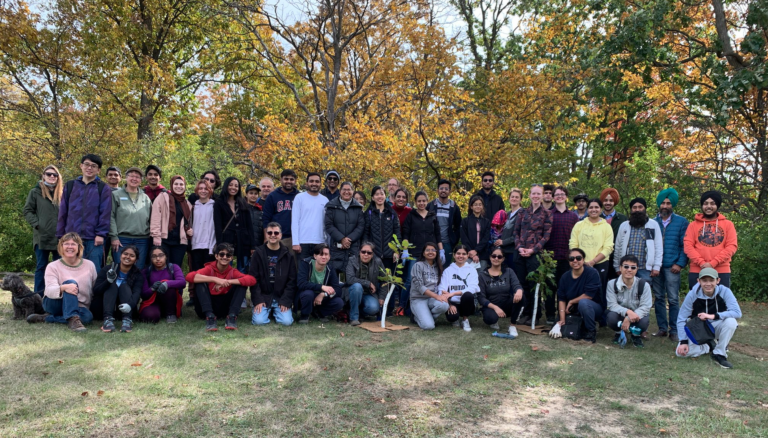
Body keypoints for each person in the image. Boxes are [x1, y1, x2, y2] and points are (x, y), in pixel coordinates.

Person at [675, 268, 742, 369]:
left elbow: (737, 313)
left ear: (718, 281)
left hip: (716, 326)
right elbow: (682, 318)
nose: (708, 284)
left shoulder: (725, 291)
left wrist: (713, 316)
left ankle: (719, 353)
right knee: (680, 353)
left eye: (711, 280)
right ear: (699, 281)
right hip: (698, 329)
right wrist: (683, 341)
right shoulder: (692, 294)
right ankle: (710, 345)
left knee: (731, 322)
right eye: (704, 280)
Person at [57, 153, 112, 271]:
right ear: (81, 166)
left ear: (98, 170)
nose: (89, 168)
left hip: (94, 238)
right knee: (70, 270)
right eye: (87, 164)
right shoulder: (71, 185)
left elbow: (105, 213)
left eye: (93, 166)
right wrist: (61, 234)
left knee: (93, 270)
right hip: (72, 237)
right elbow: (63, 211)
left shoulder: (103, 188)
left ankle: (93, 291)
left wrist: (101, 234)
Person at [33, 233, 98, 331]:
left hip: (79, 306)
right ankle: (73, 319)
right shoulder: (53, 266)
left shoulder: (90, 265)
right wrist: (64, 288)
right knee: (71, 283)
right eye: (66, 244)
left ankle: (46, 318)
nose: (70, 247)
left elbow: (94, 289)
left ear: (79, 247)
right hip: (54, 303)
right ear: (61, 247)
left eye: (73, 244)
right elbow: (49, 290)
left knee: (87, 318)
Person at [186, 242, 256, 331]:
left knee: (242, 284)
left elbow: (252, 280)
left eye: (228, 255)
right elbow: (189, 276)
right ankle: (209, 316)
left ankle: (232, 316)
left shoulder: (233, 271)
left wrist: (228, 281)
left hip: (225, 308)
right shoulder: (209, 268)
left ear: (231, 258)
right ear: (216, 256)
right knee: (200, 282)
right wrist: (214, 279)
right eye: (222, 254)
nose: (225, 257)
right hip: (206, 307)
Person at [652, 188, 689, 342]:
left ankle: (674, 330)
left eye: (668, 203)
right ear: (659, 204)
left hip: (672, 266)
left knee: (673, 299)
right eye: (663, 203)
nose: (665, 205)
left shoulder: (682, 222)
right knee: (659, 298)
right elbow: (649, 246)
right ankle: (662, 328)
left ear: (672, 205)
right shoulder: (652, 223)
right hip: (656, 267)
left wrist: (680, 264)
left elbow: (685, 245)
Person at [513, 184, 552, 325]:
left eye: (538, 194)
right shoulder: (522, 212)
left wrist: (533, 250)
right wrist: (519, 247)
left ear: (542, 196)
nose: (535, 196)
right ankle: (525, 312)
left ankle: (534, 314)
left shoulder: (547, 214)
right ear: (529, 195)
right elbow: (515, 232)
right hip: (520, 253)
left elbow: (546, 236)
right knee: (521, 284)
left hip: (534, 255)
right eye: (533, 193)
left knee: (532, 285)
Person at [569, 198, 614, 318]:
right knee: (580, 289)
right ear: (587, 209)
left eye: (596, 207)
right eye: (591, 207)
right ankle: (579, 316)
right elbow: (573, 244)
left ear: (600, 209)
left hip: (600, 264)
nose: (593, 210)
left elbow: (608, 247)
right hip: (580, 264)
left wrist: (593, 261)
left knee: (599, 291)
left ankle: (600, 318)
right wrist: (579, 260)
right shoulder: (579, 225)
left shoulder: (606, 226)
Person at [684, 191, 738, 289]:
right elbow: (688, 246)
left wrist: (713, 263)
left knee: (721, 301)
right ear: (702, 206)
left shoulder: (728, 224)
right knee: (697, 301)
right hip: (697, 270)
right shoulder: (692, 225)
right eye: (705, 203)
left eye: (712, 203)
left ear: (717, 205)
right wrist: (702, 263)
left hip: (721, 270)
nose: (708, 206)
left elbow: (731, 246)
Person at [401, 191, 443, 316]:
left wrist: (441, 250)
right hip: (414, 252)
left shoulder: (432, 216)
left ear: (427, 201)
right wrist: (405, 250)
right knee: (410, 280)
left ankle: (428, 304)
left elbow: (438, 234)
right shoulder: (411, 215)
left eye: (424, 201)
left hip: (431, 253)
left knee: (431, 280)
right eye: (419, 201)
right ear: (415, 202)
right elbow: (406, 234)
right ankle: (402, 306)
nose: (421, 203)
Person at [24, 165, 63, 297]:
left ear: (58, 177)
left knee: (60, 268)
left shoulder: (63, 193)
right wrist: (37, 224)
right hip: (42, 236)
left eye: (55, 174)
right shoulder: (35, 192)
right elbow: (28, 211)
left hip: (60, 237)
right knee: (41, 267)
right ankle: (39, 297)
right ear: (43, 175)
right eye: (49, 174)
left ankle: (58, 295)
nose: (52, 176)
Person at [543, 186, 579, 325]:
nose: (559, 196)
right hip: (549, 257)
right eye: (556, 194)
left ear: (566, 197)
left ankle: (564, 314)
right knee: (550, 289)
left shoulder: (573, 216)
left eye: (562, 194)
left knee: (564, 288)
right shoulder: (548, 214)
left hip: (567, 258)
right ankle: (550, 315)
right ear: (553, 197)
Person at [250, 222, 297, 326]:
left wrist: (285, 301)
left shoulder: (288, 255)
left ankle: (273, 311)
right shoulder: (258, 253)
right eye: (270, 232)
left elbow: (292, 281)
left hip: (280, 297)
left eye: (276, 233)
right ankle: (265, 311)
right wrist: (258, 300)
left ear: (280, 235)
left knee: (286, 322)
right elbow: (253, 279)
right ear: (266, 234)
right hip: (263, 296)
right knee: (259, 322)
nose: (273, 235)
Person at [91, 245, 143, 332]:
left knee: (124, 286)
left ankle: (127, 320)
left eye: (132, 256)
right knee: (112, 285)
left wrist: (130, 305)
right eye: (125, 254)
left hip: (124, 309)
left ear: (136, 260)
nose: (127, 257)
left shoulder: (138, 274)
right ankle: (107, 320)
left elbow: (137, 293)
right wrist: (108, 281)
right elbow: (96, 291)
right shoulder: (108, 269)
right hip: (103, 308)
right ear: (120, 255)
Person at [556, 248, 603, 343]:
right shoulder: (565, 277)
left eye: (578, 258)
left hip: (593, 308)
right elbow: (561, 298)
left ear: (583, 259)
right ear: (568, 261)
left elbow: (588, 296)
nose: (575, 261)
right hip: (574, 309)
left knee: (583, 303)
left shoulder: (592, 273)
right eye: (571, 259)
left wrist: (572, 301)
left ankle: (591, 331)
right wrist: (562, 319)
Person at [109, 167, 152, 270]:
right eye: (131, 176)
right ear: (126, 178)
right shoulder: (115, 195)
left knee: (139, 269)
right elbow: (111, 216)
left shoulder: (145, 197)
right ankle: (120, 286)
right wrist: (114, 236)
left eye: (137, 177)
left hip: (142, 239)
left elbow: (151, 218)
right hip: (121, 239)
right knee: (121, 268)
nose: (134, 179)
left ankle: (136, 287)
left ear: (141, 181)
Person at [606, 255, 652, 348]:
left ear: (637, 269)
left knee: (644, 322)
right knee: (611, 317)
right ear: (620, 267)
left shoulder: (644, 285)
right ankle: (618, 333)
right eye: (626, 266)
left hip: (637, 316)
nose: (629, 270)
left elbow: (646, 306)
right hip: (620, 315)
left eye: (633, 267)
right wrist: (627, 312)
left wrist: (629, 318)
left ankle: (636, 336)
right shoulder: (612, 284)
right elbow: (612, 305)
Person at [613, 197, 663, 283]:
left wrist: (656, 266)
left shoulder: (653, 225)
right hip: (626, 268)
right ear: (631, 210)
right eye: (634, 207)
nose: (637, 210)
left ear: (644, 209)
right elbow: (618, 247)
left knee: (642, 292)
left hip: (644, 268)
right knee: (626, 292)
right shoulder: (624, 225)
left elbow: (658, 247)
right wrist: (617, 266)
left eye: (640, 207)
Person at [477, 247, 524, 336]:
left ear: (503, 259)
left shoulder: (509, 271)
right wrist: (495, 308)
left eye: (499, 257)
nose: (496, 258)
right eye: (494, 256)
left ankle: (512, 325)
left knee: (521, 296)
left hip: (506, 303)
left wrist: (519, 290)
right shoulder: (482, 275)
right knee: (490, 319)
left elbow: (516, 285)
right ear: (490, 257)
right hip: (491, 305)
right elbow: (481, 297)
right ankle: (494, 319)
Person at [214, 176, 256, 272]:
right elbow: (218, 226)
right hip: (227, 241)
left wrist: (252, 245)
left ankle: (239, 287)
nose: (233, 188)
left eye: (236, 186)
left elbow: (249, 226)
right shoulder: (219, 203)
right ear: (226, 186)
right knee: (225, 269)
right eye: (231, 185)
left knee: (242, 270)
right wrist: (220, 244)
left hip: (243, 241)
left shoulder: (243, 203)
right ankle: (226, 287)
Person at [364, 186, 401, 291]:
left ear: (385, 196)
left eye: (381, 194)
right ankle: (376, 306)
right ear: (372, 198)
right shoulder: (368, 214)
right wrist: (367, 251)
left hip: (389, 256)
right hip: (373, 255)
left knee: (389, 283)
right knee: (374, 282)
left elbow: (397, 233)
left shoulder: (392, 213)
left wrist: (397, 250)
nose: (379, 196)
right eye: (376, 194)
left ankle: (389, 307)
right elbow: (365, 234)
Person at [151, 175, 194, 268]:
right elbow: (155, 217)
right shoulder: (163, 197)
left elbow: (188, 221)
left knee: (175, 268)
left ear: (185, 186)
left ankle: (172, 283)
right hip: (163, 240)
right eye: (176, 184)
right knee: (161, 267)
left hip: (180, 242)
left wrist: (190, 230)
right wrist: (156, 236)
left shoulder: (187, 204)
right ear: (171, 185)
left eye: (181, 184)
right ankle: (161, 283)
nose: (179, 186)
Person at [295, 243, 344, 323]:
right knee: (308, 294)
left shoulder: (330, 269)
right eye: (321, 254)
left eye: (326, 254)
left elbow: (338, 290)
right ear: (315, 256)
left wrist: (323, 294)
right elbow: (301, 284)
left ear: (329, 257)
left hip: (321, 298)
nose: (324, 257)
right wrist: (321, 287)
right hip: (306, 296)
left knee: (339, 302)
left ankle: (319, 312)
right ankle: (304, 315)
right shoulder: (305, 264)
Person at [187, 179, 217, 307]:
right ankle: (199, 303)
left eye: (206, 188)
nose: (203, 191)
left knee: (210, 275)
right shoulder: (193, 206)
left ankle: (212, 302)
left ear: (210, 190)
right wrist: (187, 230)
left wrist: (214, 247)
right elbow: (186, 222)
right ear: (197, 191)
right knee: (198, 275)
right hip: (196, 245)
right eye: (200, 188)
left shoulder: (215, 205)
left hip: (210, 246)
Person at [139, 245, 186, 324]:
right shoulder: (146, 271)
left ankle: (171, 314)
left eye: (161, 255)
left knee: (169, 286)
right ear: (150, 258)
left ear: (166, 256)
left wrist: (167, 283)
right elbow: (143, 294)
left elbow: (182, 282)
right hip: (153, 301)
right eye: (154, 256)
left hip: (170, 300)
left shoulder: (173, 267)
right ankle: (160, 312)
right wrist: (152, 288)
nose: (158, 259)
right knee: (150, 316)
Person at [325, 182, 365, 274]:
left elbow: (360, 226)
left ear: (352, 191)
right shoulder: (331, 206)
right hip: (336, 247)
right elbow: (329, 225)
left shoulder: (358, 207)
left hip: (353, 247)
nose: (346, 192)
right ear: (340, 191)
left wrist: (348, 240)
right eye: (344, 189)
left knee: (352, 275)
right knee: (335, 276)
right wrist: (342, 239)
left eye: (349, 189)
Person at [409, 242, 450, 330]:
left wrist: (443, 293)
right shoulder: (417, 265)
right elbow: (420, 287)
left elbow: (439, 285)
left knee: (445, 305)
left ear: (436, 253)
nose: (430, 252)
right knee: (429, 326)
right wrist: (437, 296)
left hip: (431, 300)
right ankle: (418, 317)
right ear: (423, 253)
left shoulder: (438, 267)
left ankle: (424, 316)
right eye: (427, 250)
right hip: (418, 299)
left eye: (433, 250)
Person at [440, 245, 480, 332]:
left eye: (464, 254)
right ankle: (455, 318)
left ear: (467, 256)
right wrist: (449, 304)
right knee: (452, 317)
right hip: (453, 302)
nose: (461, 256)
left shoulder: (472, 270)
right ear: (454, 255)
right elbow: (442, 289)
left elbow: (473, 288)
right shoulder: (448, 270)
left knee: (468, 295)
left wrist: (454, 293)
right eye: (458, 253)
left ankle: (465, 319)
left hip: (467, 302)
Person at [345, 242, 385, 326]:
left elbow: (385, 280)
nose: (366, 254)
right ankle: (354, 318)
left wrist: (382, 297)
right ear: (359, 252)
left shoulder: (378, 262)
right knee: (357, 287)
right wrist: (368, 283)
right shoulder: (352, 260)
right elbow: (349, 279)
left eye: (369, 253)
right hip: (352, 292)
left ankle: (358, 313)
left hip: (369, 293)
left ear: (372, 254)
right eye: (363, 252)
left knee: (373, 308)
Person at [292, 172, 329, 259]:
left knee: (318, 270)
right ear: (307, 183)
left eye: (317, 181)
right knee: (303, 270)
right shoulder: (299, 197)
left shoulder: (325, 200)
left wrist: (326, 242)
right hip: (303, 242)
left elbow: (327, 223)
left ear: (320, 184)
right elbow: (295, 220)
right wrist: (295, 242)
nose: (314, 184)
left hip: (320, 242)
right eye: (311, 181)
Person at [262, 169, 299, 253]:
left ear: (295, 181)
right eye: (286, 179)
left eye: (291, 179)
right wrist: (266, 238)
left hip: (294, 239)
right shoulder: (272, 196)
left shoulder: (299, 196)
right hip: (275, 236)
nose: (289, 181)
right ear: (281, 179)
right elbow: (266, 219)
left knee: (292, 265)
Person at [428, 179, 462, 265]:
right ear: (437, 190)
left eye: (446, 189)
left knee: (445, 269)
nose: (443, 191)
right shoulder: (431, 205)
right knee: (431, 268)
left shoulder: (454, 207)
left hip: (447, 243)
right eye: (441, 188)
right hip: (432, 242)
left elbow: (458, 226)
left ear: (450, 191)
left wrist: (453, 241)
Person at [600, 187, 627, 280]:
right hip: (599, 258)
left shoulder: (623, 219)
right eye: (605, 200)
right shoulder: (596, 218)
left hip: (616, 258)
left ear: (615, 201)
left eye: (611, 200)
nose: (608, 203)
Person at [494, 188, 523, 269]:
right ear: (509, 198)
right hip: (503, 251)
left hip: (514, 252)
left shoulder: (523, 214)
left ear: (521, 199)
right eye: (512, 196)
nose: (514, 199)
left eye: (517, 197)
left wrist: (504, 242)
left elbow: (520, 234)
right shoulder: (507, 214)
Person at [460, 195, 491, 264]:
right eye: (475, 204)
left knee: (481, 274)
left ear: (482, 206)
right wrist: (471, 251)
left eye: (480, 204)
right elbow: (464, 238)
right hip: (468, 254)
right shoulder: (465, 221)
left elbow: (486, 238)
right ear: (471, 207)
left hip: (482, 254)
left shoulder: (486, 222)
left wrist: (476, 251)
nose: (478, 206)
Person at [245, 184, 264, 248]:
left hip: (259, 245)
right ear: (246, 195)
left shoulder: (260, 210)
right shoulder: (242, 209)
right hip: (245, 245)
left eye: (255, 193)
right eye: (251, 193)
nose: (253, 195)